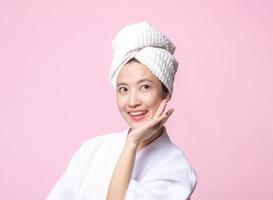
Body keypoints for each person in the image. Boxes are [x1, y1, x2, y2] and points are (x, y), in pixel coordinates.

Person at [47, 22, 197, 200]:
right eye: (124, 89)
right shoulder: (92, 150)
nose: (132, 102)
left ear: (166, 92)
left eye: (145, 87)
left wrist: (131, 143)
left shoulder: (176, 169)